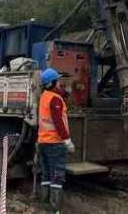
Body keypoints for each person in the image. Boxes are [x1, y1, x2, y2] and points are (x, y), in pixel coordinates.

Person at [37, 68, 74, 213]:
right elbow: (58, 122)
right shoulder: (55, 100)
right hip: (55, 143)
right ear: (52, 83)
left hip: (43, 142)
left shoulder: (45, 96)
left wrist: (67, 92)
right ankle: (54, 210)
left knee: (46, 174)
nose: (60, 83)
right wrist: (67, 141)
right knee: (57, 176)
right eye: (58, 81)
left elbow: (59, 94)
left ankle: (45, 205)